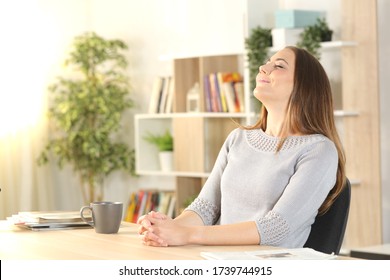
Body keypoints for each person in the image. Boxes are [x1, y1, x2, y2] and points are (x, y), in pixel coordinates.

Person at [137, 46, 346, 248]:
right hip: (218, 259)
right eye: (266, 63)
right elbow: (205, 208)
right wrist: (164, 228)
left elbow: (277, 228)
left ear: (305, 85)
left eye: (279, 66)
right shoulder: (238, 139)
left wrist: (187, 234)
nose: (263, 69)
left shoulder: (319, 150)